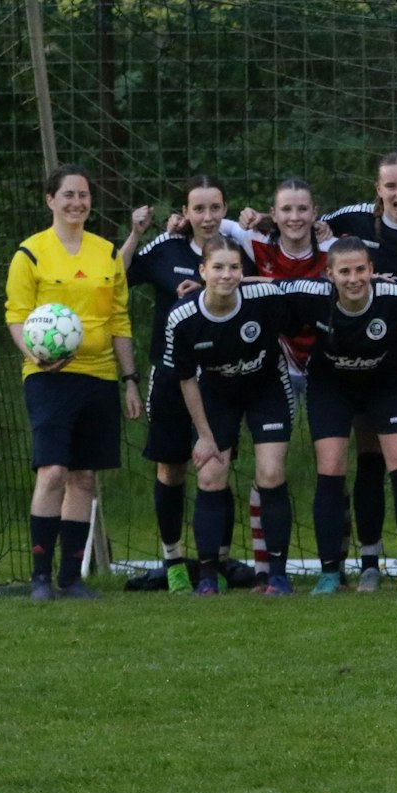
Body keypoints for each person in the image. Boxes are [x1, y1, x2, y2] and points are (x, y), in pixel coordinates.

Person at [6, 164, 141, 600]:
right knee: (53, 472)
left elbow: (119, 319)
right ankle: (40, 577)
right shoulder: (30, 254)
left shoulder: (106, 253)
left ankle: (71, 578)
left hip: (100, 377)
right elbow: (16, 317)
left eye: (83, 195)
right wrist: (37, 356)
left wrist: (130, 380)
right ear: (50, 200)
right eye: (67, 195)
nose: (76, 203)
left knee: (83, 478)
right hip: (49, 380)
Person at [163, 236, 326, 597]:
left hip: (267, 390)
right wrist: (204, 437)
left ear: (243, 271)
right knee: (210, 474)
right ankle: (207, 577)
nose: (227, 275)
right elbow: (187, 380)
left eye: (234, 267)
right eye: (218, 267)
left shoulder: (264, 300)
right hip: (216, 395)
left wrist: (259, 281)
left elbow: (298, 290)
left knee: (270, 473)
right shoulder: (183, 318)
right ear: (202, 271)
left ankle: (277, 576)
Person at [127, 174, 256, 592]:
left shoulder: (235, 253)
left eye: (214, 208)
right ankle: (173, 564)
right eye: (198, 208)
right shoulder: (165, 248)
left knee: (216, 466)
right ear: (184, 213)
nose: (206, 216)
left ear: (224, 210)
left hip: (221, 379)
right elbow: (117, 274)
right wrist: (135, 233)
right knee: (171, 467)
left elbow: (258, 286)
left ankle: (216, 561)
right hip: (169, 376)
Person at [282, 238, 397, 595]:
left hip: (386, 384)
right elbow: (269, 289)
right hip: (331, 388)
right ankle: (330, 572)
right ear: (329, 274)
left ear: (372, 270)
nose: (353, 278)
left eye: (360, 269)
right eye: (344, 271)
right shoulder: (311, 295)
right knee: (330, 469)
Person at [324, 153, 397, 591]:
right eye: (391, 186)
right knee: (369, 456)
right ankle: (369, 560)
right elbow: (298, 226)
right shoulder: (354, 223)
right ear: (378, 189)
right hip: (372, 357)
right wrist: (254, 223)